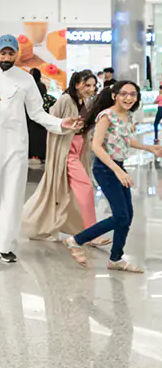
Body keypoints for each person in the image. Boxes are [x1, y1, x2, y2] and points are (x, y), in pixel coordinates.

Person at [0, 35, 78, 263]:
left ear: (16, 54)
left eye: (10, 53)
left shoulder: (25, 80)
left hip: (15, 146)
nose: (6, 57)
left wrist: (61, 124)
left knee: (12, 195)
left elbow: (37, 113)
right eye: (2, 53)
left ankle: (4, 244)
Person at [65, 80, 162, 273]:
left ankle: (115, 259)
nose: (128, 98)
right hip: (106, 169)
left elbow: (125, 140)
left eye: (133, 94)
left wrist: (149, 147)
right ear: (114, 96)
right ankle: (76, 240)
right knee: (120, 216)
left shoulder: (126, 115)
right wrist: (117, 171)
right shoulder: (106, 115)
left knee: (127, 216)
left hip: (118, 166)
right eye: (124, 94)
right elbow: (96, 146)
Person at [22, 70, 101, 242]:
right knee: (85, 187)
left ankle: (45, 224)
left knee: (65, 191)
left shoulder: (85, 101)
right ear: (77, 83)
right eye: (87, 85)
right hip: (66, 150)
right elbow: (51, 122)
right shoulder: (66, 100)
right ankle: (91, 232)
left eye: (93, 85)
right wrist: (66, 128)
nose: (90, 89)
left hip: (79, 148)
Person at [26, 67, 50, 164]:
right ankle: (40, 154)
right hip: (41, 115)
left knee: (31, 136)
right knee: (40, 137)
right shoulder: (42, 85)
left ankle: (31, 154)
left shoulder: (30, 86)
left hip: (30, 116)